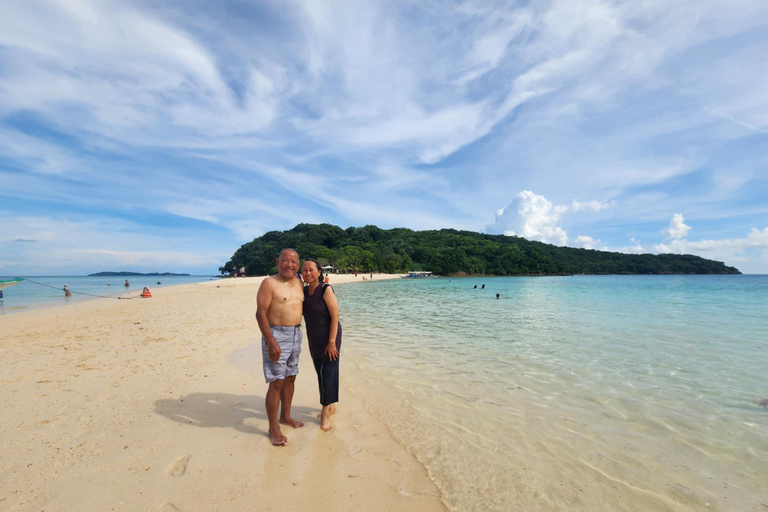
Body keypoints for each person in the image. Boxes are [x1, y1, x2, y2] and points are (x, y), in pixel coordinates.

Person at [255, 248, 305, 446]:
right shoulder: (269, 283)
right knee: (276, 381)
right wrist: (271, 341)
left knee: (291, 377)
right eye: (285, 260)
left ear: (298, 265)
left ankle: (286, 416)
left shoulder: (299, 283)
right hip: (276, 334)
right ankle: (273, 427)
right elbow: (260, 313)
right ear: (278, 262)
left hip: (296, 334)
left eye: (293, 261)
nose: (289, 265)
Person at [301, 258, 342, 432]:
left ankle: (325, 416)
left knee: (328, 374)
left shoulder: (325, 289)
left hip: (330, 338)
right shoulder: (304, 291)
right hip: (314, 338)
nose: (308, 273)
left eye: (311, 270)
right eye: (305, 270)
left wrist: (332, 342)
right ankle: (331, 407)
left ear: (319, 272)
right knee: (321, 374)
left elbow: (335, 316)